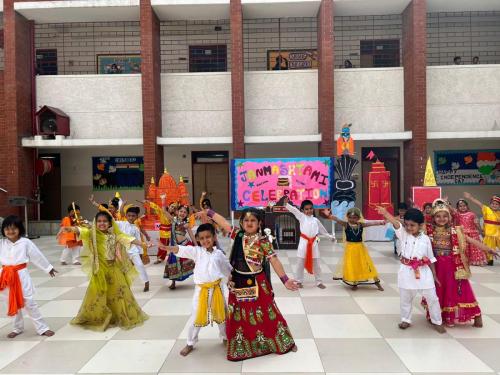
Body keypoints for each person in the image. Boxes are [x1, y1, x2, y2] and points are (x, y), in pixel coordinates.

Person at [199, 207, 299, 361]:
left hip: (258, 282)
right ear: (241, 223)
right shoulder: (238, 234)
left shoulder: (263, 241)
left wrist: (285, 280)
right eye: (246, 220)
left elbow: (274, 260)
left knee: (268, 313)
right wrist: (210, 212)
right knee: (239, 316)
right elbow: (224, 224)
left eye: (253, 220)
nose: (249, 223)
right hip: (238, 282)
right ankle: (245, 346)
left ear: (259, 223)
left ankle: (283, 342)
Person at [58, 210, 149, 331]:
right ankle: (100, 316)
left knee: (119, 293)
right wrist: (67, 229)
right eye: (99, 221)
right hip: (99, 270)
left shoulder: (114, 235)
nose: (102, 223)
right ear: (96, 223)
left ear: (110, 223)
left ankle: (119, 315)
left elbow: (128, 239)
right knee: (99, 294)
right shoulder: (92, 234)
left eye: (105, 221)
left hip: (114, 269)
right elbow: (80, 230)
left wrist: (142, 244)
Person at [160, 223, 232, 356]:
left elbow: (227, 269)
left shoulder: (219, 254)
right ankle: (190, 342)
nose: (205, 240)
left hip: (217, 289)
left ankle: (225, 338)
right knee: (195, 318)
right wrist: (167, 248)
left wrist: (232, 278)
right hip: (201, 291)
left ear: (214, 237)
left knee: (222, 315)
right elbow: (181, 249)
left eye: (208, 237)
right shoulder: (197, 252)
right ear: (198, 239)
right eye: (202, 238)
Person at [424, 199, 498, 327]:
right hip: (436, 267)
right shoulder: (428, 231)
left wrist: (489, 249)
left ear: (450, 217)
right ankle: (438, 314)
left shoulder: (456, 230)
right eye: (438, 216)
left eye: (445, 216)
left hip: (453, 266)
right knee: (437, 289)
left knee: (458, 289)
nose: (441, 219)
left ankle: (475, 315)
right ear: (433, 218)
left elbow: (471, 241)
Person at [377, 207, 445, 333]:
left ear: (421, 225)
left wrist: (434, 275)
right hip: (406, 272)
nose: (408, 228)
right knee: (405, 298)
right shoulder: (403, 234)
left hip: (424, 272)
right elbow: (396, 223)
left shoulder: (426, 239)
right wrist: (386, 213)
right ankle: (406, 319)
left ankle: (437, 321)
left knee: (432, 298)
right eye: (407, 224)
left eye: (412, 225)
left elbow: (431, 258)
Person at [0, 215, 57, 338]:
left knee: (29, 301)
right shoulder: (1, 243)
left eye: (14, 228)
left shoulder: (25, 242)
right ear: (3, 230)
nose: (10, 231)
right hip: (6, 277)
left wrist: (48, 268)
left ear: (20, 229)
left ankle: (42, 328)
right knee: (11, 302)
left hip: (21, 275)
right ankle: (17, 328)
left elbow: (37, 256)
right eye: (7, 229)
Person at [322, 207, 385, 291]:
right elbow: (337, 219)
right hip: (350, 249)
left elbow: (371, 223)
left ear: (358, 218)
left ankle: (377, 282)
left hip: (360, 248)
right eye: (350, 217)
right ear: (347, 217)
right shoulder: (346, 224)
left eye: (354, 218)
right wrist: (329, 215)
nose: (352, 219)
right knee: (353, 265)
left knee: (367, 264)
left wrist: (381, 222)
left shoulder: (361, 225)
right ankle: (354, 282)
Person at [284, 197, 335, 289]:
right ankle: (299, 281)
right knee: (300, 263)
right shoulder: (301, 217)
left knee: (317, 264)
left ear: (313, 209)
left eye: (311, 208)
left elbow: (322, 230)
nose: (309, 211)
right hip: (304, 243)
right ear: (303, 210)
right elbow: (294, 210)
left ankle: (319, 282)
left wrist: (330, 237)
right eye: (306, 209)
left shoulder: (316, 220)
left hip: (314, 244)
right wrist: (287, 204)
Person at [116, 205, 150, 292]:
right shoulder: (120, 223)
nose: (131, 217)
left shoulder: (136, 228)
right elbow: (111, 223)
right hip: (122, 250)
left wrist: (141, 253)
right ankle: (125, 285)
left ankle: (146, 282)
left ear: (136, 217)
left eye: (133, 216)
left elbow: (138, 242)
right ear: (126, 216)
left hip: (133, 250)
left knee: (140, 265)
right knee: (123, 269)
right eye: (129, 215)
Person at [161, 204, 196, 290]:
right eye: (181, 211)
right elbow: (164, 211)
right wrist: (163, 200)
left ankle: (200, 279)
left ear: (187, 214)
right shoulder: (173, 220)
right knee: (173, 262)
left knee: (194, 263)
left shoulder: (186, 224)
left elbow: (191, 235)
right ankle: (173, 282)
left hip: (184, 245)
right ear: (177, 212)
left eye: (185, 212)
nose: (182, 213)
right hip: (175, 246)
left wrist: (196, 246)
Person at [463, 193, 499, 266]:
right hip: (489, 234)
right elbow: (479, 204)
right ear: (490, 204)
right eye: (493, 203)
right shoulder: (487, 209)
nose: (494, 205)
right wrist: (471, 197)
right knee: (489, 247)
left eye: (496, 204)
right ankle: (489, 260)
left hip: (498, 234)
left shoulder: (499, 213)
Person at [454, 199, 487, 266]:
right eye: (460, 206)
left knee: (474, 247)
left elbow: (476, 224)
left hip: (473, 234)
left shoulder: (472, 214)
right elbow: (456, 224)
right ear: (457, 207)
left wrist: (481, 231)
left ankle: (476, 260)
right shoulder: (457, 215)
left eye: (464, 206)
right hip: (462, 234)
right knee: (464, 248)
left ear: (467, 206)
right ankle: (465, 260)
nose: (462, 207)